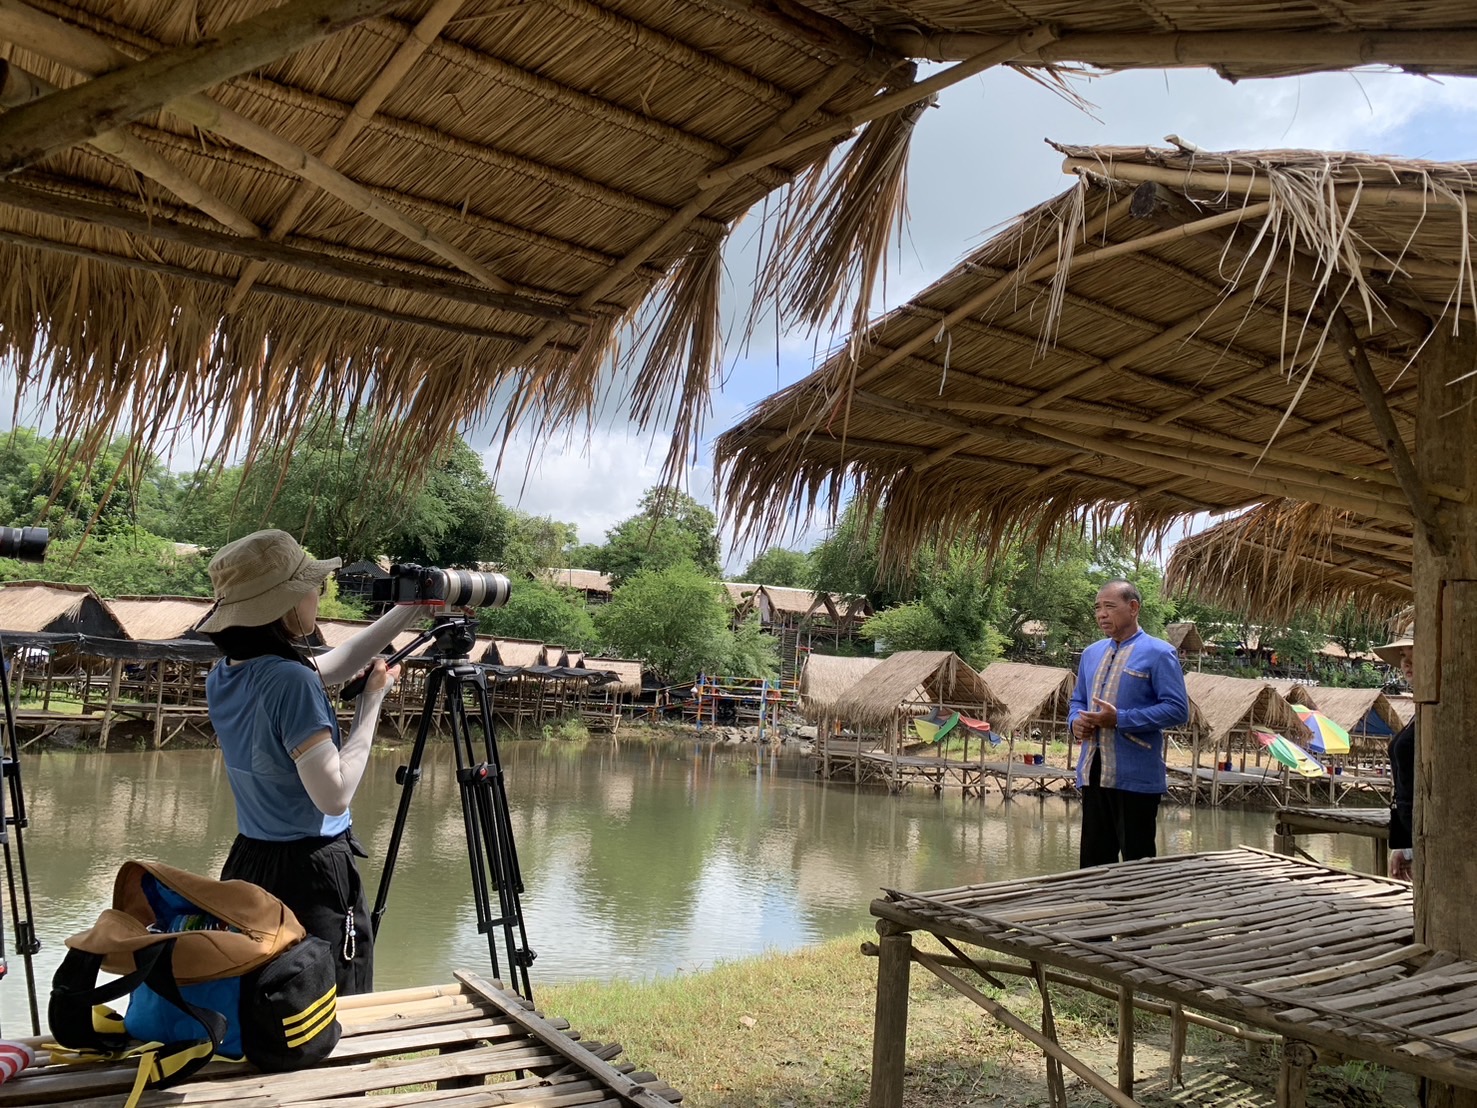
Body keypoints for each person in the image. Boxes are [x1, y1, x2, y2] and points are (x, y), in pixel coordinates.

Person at [199, 529, 425, 994]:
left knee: (266, 1005)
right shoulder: (290, 682)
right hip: (311, 874)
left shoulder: (226, 674)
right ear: (283, 604)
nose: (319, 595)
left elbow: (334, 665)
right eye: (312, 587)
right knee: (332, 1008)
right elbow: (333, 795)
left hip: (250, 863)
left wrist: (408, 612)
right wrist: (372, 706)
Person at [1069, 580, 1190, 867]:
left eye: (1109, 607)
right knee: (1093, 864)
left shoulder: (1160, 653)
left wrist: (1120, 720)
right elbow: (1077, 702)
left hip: (1136, 778)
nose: (1101, 614)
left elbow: (1177, 710)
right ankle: (1094, 911)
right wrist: (1075, 722)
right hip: (1093, 772)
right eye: (1098, 608)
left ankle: (1138, 912)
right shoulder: (1091, 654)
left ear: (1133, 608)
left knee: (1138, 864)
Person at [1374, 622, 1416, 881]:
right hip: (1417, 833)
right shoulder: (1420, 711)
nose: (1407, 663)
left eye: (1414, 654)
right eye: (1403, 656)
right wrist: (1406, 848)